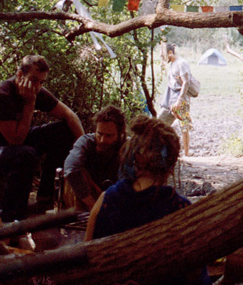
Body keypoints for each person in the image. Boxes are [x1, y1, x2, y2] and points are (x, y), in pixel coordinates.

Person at [85, 116, 207, 285]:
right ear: (170, 165)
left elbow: (86, 265)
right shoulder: (180, 209)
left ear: (132, 156)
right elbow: (196, 278)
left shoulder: (105, 200)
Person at [0, 54, 84, 221]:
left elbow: (69, 115)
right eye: (34, 80)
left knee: (64, 130)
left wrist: (83, 151)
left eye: (42, 82)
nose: (37, 87)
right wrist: (29, 104)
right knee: (25, 154)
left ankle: (45, 197)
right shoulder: (0, 95)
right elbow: (16, 140)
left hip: (10, 144)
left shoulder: (35, 90)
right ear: (20, 75)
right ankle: (12, 216)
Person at [62, 105, 126, 211]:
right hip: (88, 201)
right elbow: (70, 169)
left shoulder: (127, 147)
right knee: (72, 177)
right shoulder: (85, 143)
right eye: (99, 134)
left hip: (116, 201)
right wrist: (95, 207)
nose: (102, 140)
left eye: (109, 136)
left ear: (120, 134)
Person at [158, 43, 192, 157]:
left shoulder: (181, 63)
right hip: (171, 101)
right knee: (160, 123)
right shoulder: (172, 64)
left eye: (163, 54)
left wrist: (179, 100)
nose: (161, 56)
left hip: (181, 100)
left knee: (184, 125)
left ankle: (187, 154)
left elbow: (186, 82)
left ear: (170, 53)